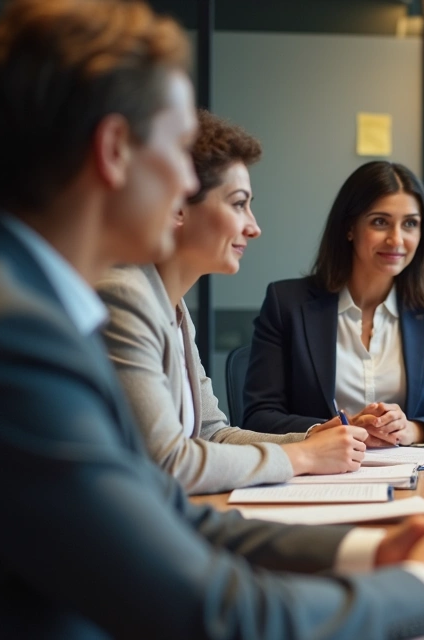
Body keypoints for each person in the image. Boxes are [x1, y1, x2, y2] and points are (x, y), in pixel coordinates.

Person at [0, 1, 424, 637]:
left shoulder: (46, 304)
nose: (184, 182)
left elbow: (167, 507)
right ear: (114, 150)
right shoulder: (12, 335)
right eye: (176, 149)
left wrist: (374, 551)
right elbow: (219, 614)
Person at [95, 110, 371, 495]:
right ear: (177, 207)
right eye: (238, 204)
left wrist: (309, 441)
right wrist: (303, 458)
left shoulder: (173, 308)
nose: (253, 227)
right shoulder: (125, 295)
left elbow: (212, 435)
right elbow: (169, 462)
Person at [243, 160, 424, 446]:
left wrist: (411, 430)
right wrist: (343, 427)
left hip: (411, 472)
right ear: (349, 227)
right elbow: (259, 416)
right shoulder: (287, 304)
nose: (396, 240)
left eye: (410, 224)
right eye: (380, 222)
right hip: (317, 476)